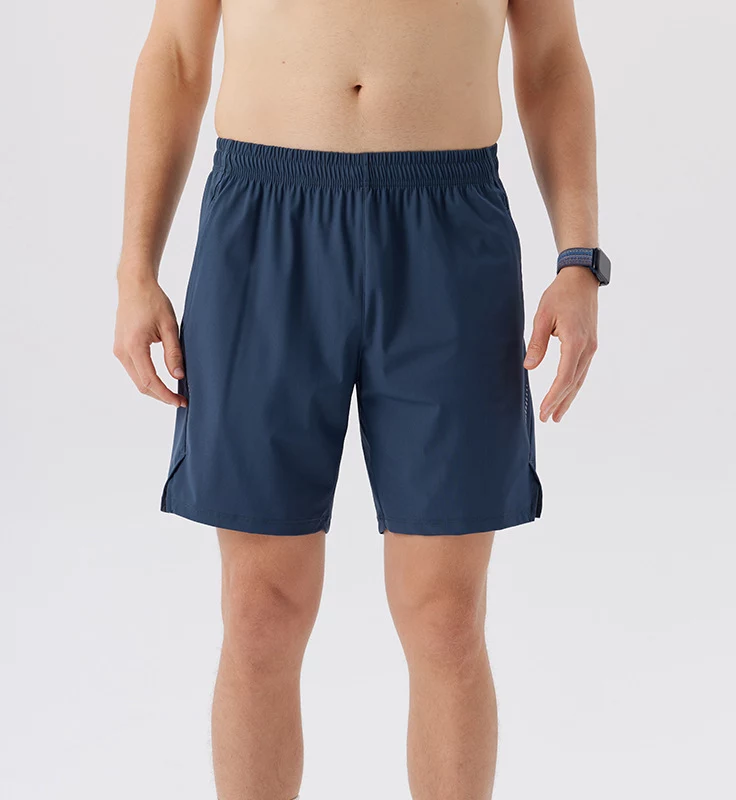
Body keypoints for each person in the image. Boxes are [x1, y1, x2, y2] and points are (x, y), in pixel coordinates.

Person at [113, 0, 608, 796]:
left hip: (448, 229)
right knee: (259, 611)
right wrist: (135, 268)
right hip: (264, 225)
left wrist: (578, 257)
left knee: (446, 616)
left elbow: (551, 57)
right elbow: (176, 52)